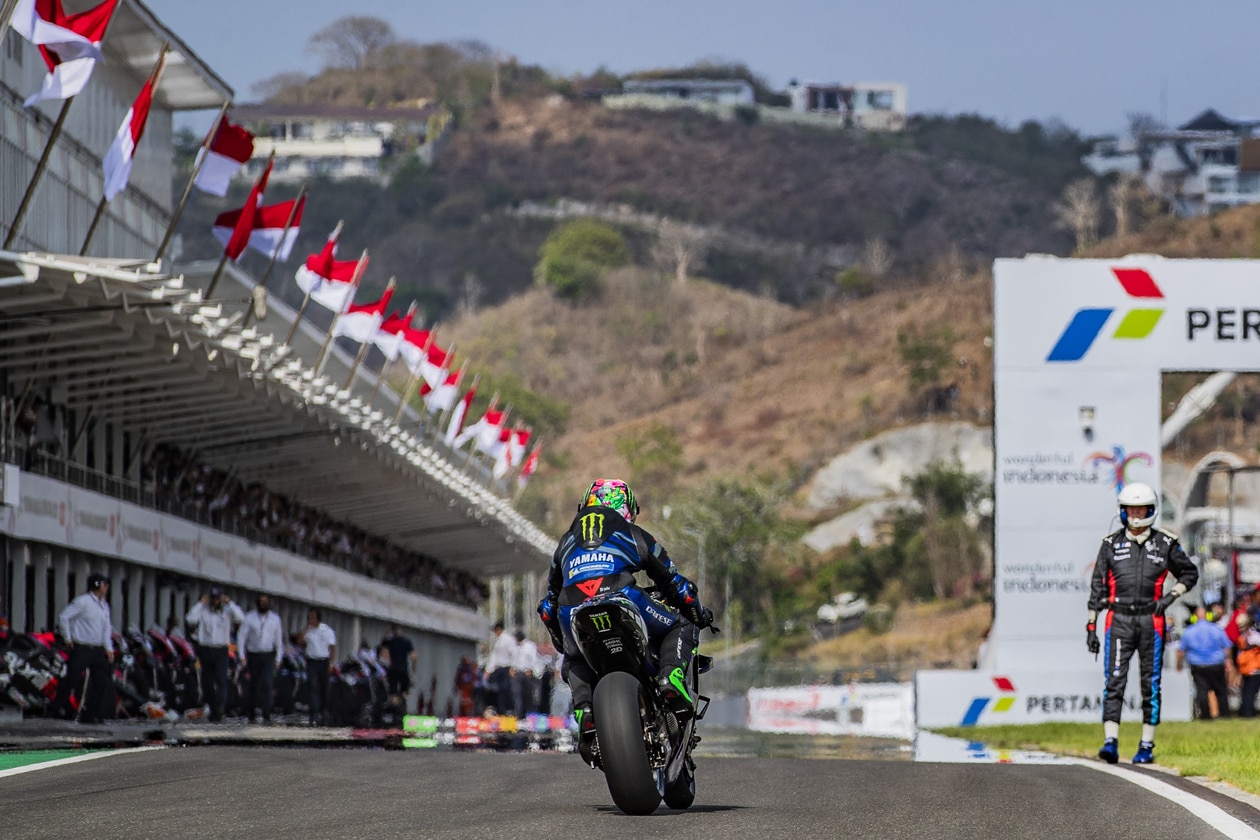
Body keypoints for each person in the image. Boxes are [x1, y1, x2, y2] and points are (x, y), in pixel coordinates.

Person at [538, 479, 711, 760]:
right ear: (628, 508)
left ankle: (584, 709)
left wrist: (561, 642)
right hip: (622, 596)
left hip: (572, 609)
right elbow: (676, 586)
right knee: (681, 623)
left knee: (573, 657)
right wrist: (697, 613)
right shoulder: (632, 533)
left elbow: (547, 607)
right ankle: (672, 676)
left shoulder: (566, 542)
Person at [1086, 482, 1198, 765]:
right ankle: (1110, 741)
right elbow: (1097, 587)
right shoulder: (1110, 544)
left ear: (1151, 510)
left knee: (1151, 684)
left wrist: (1171, 597)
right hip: (1118, 620)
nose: (1136, 515)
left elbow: (1189, 574)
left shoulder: (1166, 543)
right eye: (1131, 509)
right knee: (1114, 681)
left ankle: (1146, 745)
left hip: (1152, 620)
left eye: (1141, 509)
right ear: (1122, 511)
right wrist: (1091, 626)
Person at [48, 573, 114, 723]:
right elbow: (64, 617)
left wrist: (108, 648)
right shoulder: (83, 602)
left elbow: (106, 629)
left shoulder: (104, 605)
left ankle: (91, 714)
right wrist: (67, 638)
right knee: (71, 679)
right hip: (82, 647)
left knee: (101, 682)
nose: (106, 587)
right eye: (104, 584)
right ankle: (53, 709)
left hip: (97, 650)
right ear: (97, 585)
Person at [185, 586, 244, 722]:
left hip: (221, 649)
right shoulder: (203, 610)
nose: (215, 601)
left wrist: (230, 603)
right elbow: (190, 619)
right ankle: (212, 708)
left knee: (221, 680)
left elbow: (240, 618)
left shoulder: (228, 611)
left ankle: (220, 708)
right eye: (213, 598)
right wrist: (200, 603)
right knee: (207, 682)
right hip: (205, 648)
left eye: (218, 598)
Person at [1175, 604, 1233, 720]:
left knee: (1202, 690)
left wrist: (1179, 664)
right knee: (1220, 690)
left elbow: (1181, 651)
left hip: (1198, 664)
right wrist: (1228, 660)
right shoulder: (1216, 629)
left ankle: (1205, 715)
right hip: (1216, 663)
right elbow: (1227, 647)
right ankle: (1224, 714)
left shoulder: (1188, 631)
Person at [237, 593, 284, 723]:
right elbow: (241, 637)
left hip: (268, 655)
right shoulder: (249, 617)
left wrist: (278, 659)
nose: (263, 604)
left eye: (265, 601)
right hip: (253, 655)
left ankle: (266, 713)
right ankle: (251, 713)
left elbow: (279, 640)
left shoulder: (275, 619)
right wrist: (241, 655)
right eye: (261, 601)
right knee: (253, 685)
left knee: (267, 684)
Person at [297, 608, 336, 726]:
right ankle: (314, 711)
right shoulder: (308, 631)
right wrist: (306, 628)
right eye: (309, 618)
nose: (311, 620)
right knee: (312, 686)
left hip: (324, 661)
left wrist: (331, 663)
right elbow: (299, 641)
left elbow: (332, 648)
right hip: (312, 661)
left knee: (324, 687)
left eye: (313, 617)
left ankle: (324, 710)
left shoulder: (327, 630)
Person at [483, 621, 517, 714]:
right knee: (498, 690)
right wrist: (488, 670)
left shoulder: (508, 639)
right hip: (499, 669)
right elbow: (494, 657)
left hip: (506, 668)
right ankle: (501, 710)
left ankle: (509, 710)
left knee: (505, 690)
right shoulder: (498, 641)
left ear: (498, 629)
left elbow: (514, 653)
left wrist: (513, 668)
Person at [380, 625, 417, 703]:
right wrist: (414, 667)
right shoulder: (406, 641)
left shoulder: (391, 641)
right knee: (404, 690)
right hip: (403, 669)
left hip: (393, 669)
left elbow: (382, 642)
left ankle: (394, 708)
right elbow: (414, 656)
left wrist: (387, 631)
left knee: (393, 692)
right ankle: (403, 705)